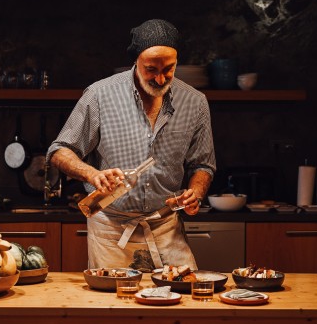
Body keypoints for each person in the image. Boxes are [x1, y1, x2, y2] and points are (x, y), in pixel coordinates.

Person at [46, 19, 216, 271]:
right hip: (112, 232)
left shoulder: (195, 101)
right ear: (135, 61)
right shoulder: (99, 95)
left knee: (180, 304)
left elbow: (203, 164)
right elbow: (59, 151)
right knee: (113, 306)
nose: (160, 78)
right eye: (151, 69)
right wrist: (93, 174)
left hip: (166, 228)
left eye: (168, 69)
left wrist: (196, 193)